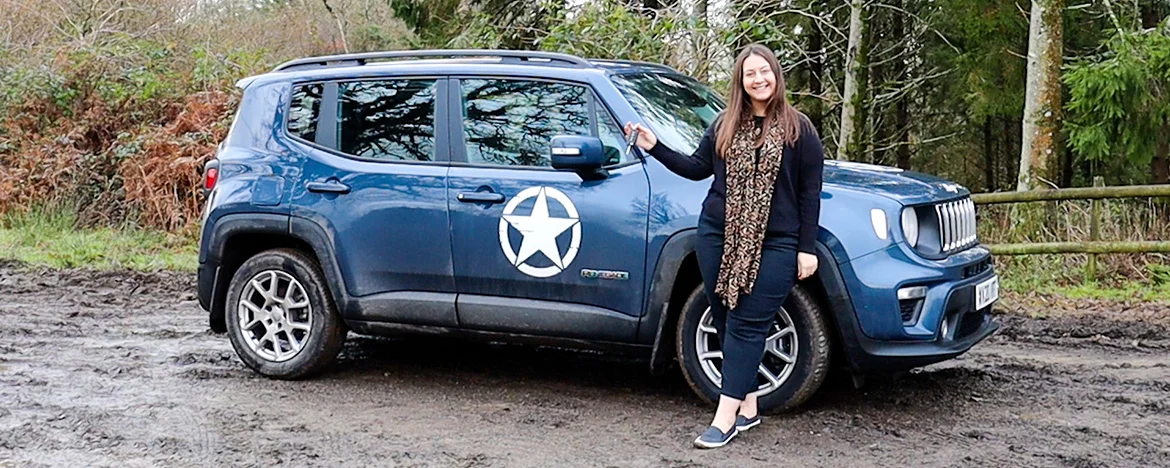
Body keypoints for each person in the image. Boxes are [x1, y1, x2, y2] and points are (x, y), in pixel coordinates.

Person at [623, 43, 824, 449]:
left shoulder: (799, 128)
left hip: (777, 241)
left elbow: (810, 194)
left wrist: (807, 248)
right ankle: (748, 408)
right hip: (718, 234)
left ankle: (724, 416)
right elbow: (696, 169)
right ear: (741, 81)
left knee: (749, 323)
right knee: (726, 318)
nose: (758, 79)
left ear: (776, 75)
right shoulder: (724, 124)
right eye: (750, 73)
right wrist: (653, 146)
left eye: (764, 71)